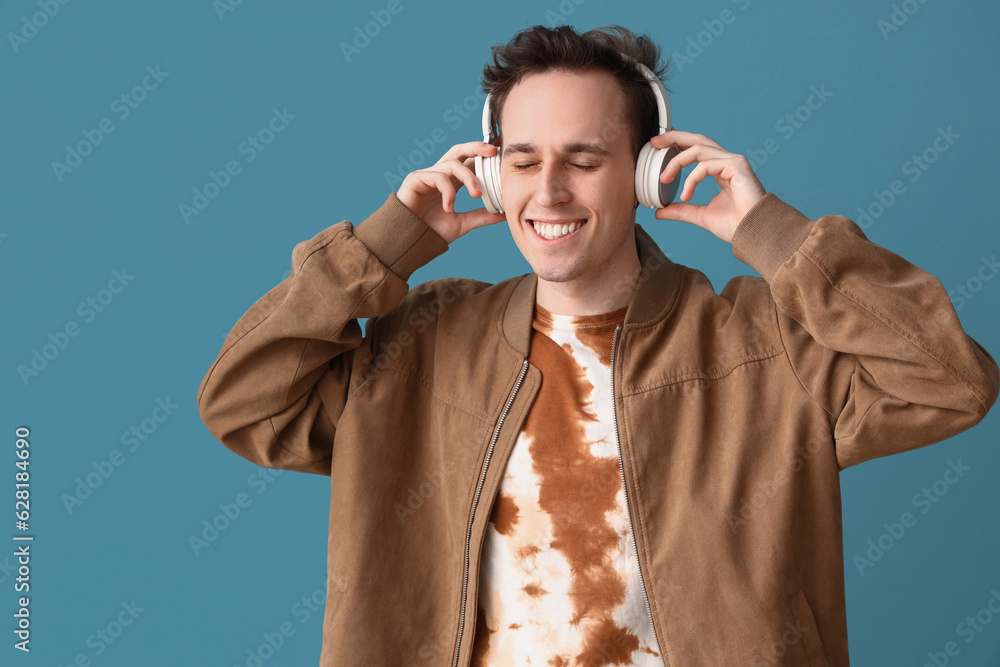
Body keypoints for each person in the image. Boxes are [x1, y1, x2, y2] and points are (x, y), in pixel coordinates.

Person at [196, 23, 999, 667]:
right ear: (490, 173)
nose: (548, 192)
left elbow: (949, 378)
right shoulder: (422, 345)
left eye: (584, 160)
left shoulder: (763, 348)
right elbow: (245, 400)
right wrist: (386, 245)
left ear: (648, 174)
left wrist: (771, 232)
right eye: (523, 160)